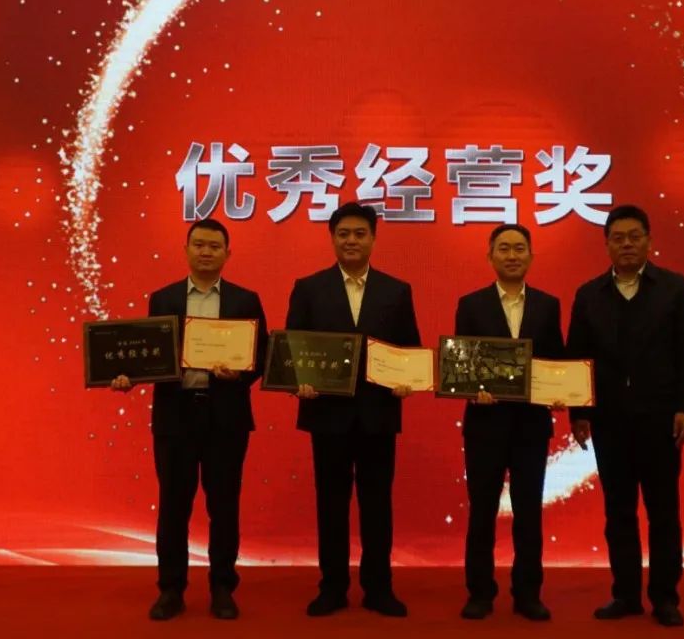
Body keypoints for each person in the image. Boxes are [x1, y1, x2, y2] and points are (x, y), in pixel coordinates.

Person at [111, 218, 268, 621]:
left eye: (214, 246)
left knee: (224, 506)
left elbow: (261, 356)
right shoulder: (163, 299)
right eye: (198, 244)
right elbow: (152, 354)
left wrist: (239, 374)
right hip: (175, 416)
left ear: (227, 254)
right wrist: (131, 376)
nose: (206, 252)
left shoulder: (245, 300)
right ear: (186, 250)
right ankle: (171, 589)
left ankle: (222, 588)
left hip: (226, 416)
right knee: (173, 506)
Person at [565, 205, 684, 627]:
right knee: (619, 512)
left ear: (648, 241)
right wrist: (578, 413)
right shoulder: (589, 295)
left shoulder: (674, 289)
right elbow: (578, 358)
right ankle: (625, 595)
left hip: (661, 420)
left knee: (663, 512)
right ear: (607, 244)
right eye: (618, 238)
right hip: (609, 422)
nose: (626, 244)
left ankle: (665, 597)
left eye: (634, 236)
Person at [286, 202, 421, 617]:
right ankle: (332, 587)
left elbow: (410, 349)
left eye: (360, 233)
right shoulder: (309, 288)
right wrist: (297, 381)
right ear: (332, 238)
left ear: (373, 239)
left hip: (378, 415)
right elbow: (292, 351)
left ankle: (379, 588)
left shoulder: (396, 291)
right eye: (343, 233)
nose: (351, 241)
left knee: (377, 504)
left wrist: (408, 380)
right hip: (327, 414)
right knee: (331, 504)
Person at [454, 224, 565, 622]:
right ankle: (480, 593)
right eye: (504, 248)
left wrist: (561, 391)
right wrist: (473, 390)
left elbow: (556, 360)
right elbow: (461, 363)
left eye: (519, 248)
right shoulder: (471, 304)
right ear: (490, 256)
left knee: (529, 512)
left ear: (530, 256)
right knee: (482, 511)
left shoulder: (548, 305)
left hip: (531, 426)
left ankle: (528, 593)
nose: (512, 255)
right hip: (485, 424)